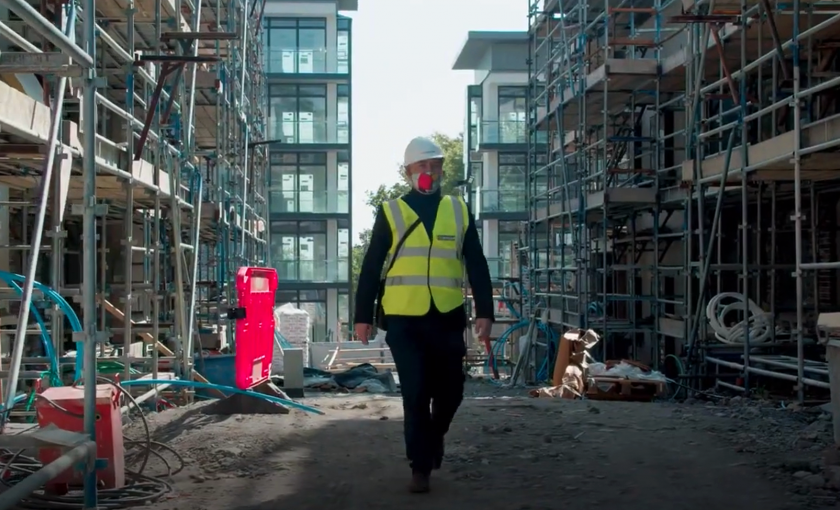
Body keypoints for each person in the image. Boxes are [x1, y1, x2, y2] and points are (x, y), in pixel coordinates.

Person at [353, 136, 494, 493]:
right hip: (404, 319)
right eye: (421, 166)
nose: (428, 171)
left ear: (441, 169)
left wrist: (485, 311)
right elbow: (371, 265)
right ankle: (420, 467)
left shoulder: (458, 210)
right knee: (415, 392)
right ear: (408, 173)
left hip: (446, 316)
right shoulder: (392, 211)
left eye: (434, 165)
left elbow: (475, 262)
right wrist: (362, 315)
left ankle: (433, 436)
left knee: (451, 393)